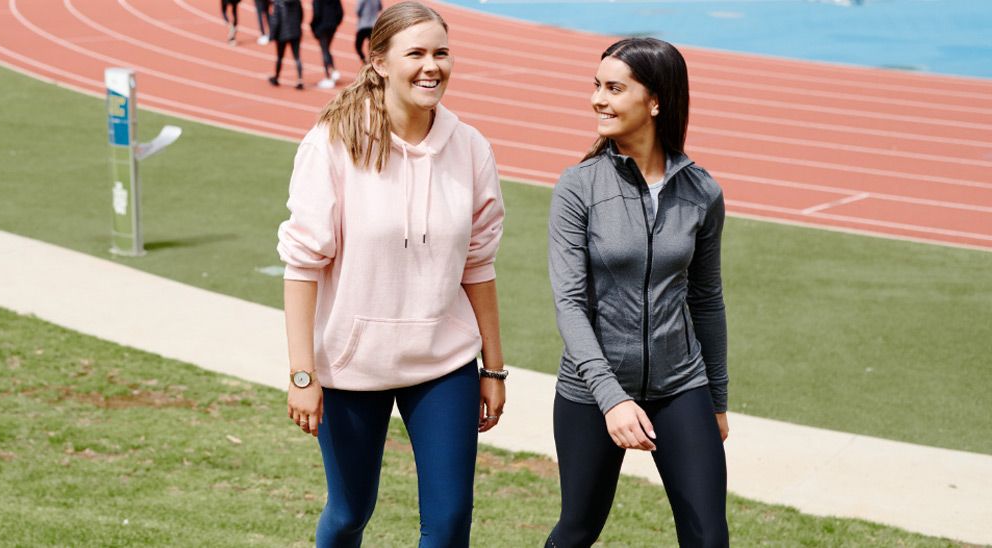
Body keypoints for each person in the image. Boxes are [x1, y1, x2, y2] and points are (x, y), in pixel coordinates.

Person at [277, 3, 507, 546]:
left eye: (442, 53)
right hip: (351, 364)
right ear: (378, 62)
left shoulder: (470, 148)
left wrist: (492, 368)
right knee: (351, 512)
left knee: (449, 523)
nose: (432, 66)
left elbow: (479, 262)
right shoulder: (332, 143)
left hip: (443, 359)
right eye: (417, 54)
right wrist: (302, 374)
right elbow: (302, 264)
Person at [544, 37, 730, 548]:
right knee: (577, 531)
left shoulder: (701, 191)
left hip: (681, 385)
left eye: (614, 88)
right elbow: (570, 304)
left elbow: (707, 299)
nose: (597, 100)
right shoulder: (578, 187)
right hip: (592, 392)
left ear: (655, 101)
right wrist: (612, 401)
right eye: (596, 87)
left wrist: (716, 398)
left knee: (709, 538)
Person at [267, 0, 305, 89]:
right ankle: (300, 79)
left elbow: (275, 19)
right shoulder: (297, 2)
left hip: (281, 34)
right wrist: (297, 26)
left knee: (280, 57)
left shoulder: (278, 2)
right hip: (295, 31)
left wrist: (272, 35)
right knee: (297, 57)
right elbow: (301, 15)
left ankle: (276, 77)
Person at [310, 0, 344, 88]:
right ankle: (333, 70)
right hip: (332, 25)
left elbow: (316, 14)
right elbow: (340, 12)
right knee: (327, 49)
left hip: (322, 26)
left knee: (324, 50)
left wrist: (313, 27)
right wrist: (336, 23)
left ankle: (329, 76)